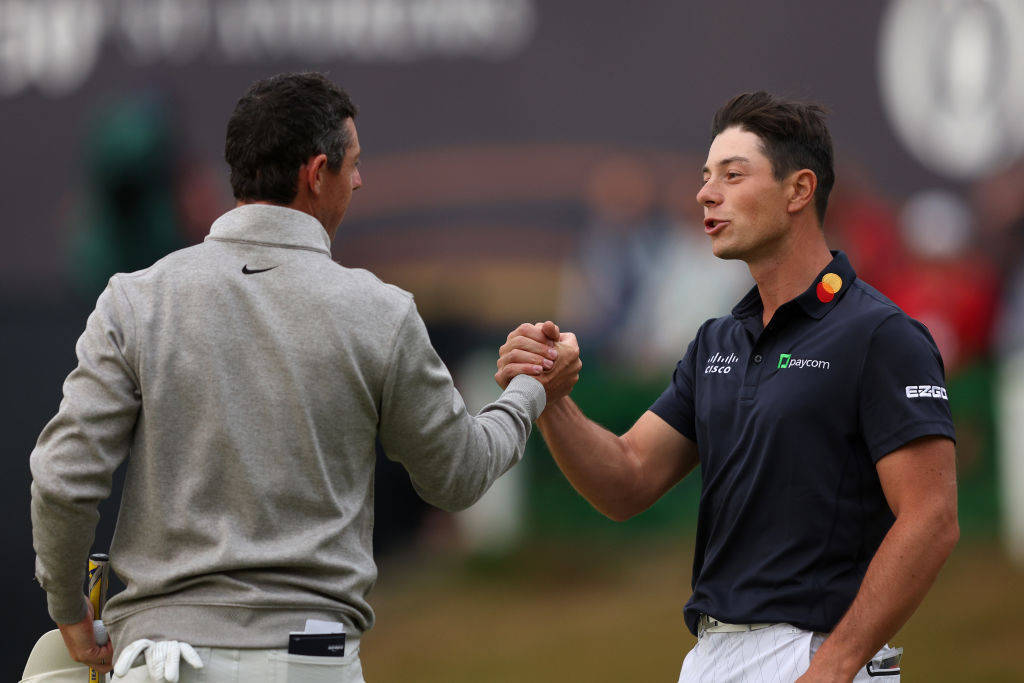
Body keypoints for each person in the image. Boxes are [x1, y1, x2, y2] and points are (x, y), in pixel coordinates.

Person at [30, 72, 580, 682]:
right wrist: (532, 390)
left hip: (161, 659)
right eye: (354, 164)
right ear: (316, 174)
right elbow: (458, 475)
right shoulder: (380, 312)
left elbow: (62, 480)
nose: (361, 179)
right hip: (311, 659)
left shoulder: (134, 300)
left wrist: (68, 609)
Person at [496, 92, 958, 682]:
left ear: (799, 190)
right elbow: (626, 480)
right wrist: (549, 396)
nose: (705, 194)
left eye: (733, 176)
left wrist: (835, 665)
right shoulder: (717, 342)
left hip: (815, 654)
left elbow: (931, 517)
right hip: (711, 655)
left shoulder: (881, 334)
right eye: (705, 177)